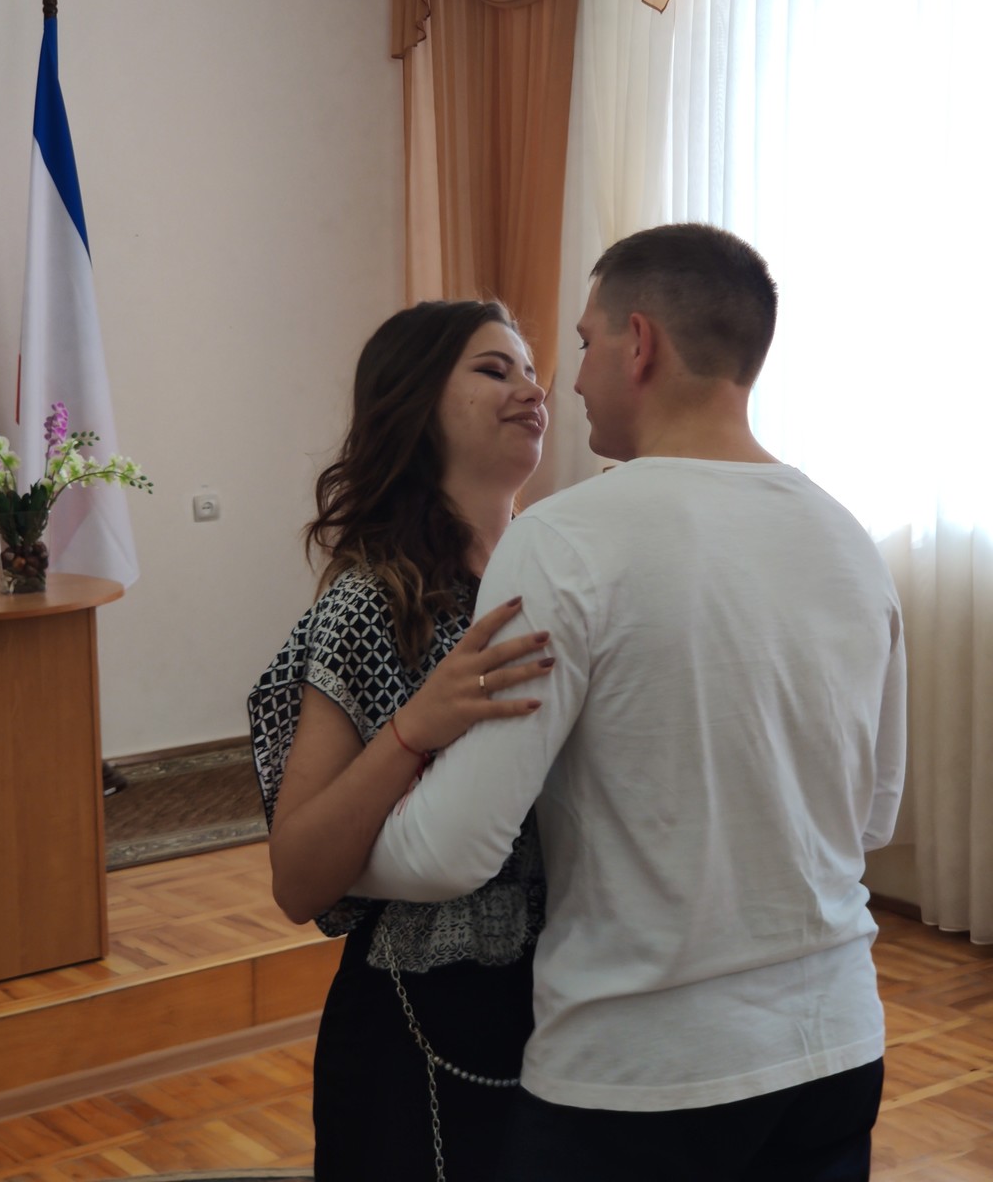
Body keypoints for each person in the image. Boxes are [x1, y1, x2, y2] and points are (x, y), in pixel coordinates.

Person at [353, 223, 907, 1182]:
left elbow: (451, 851)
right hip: (837, 1044)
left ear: (638, 343)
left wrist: (326, 855)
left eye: (582, 343)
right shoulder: (850, 540)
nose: (567, 382)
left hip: (642, 1072)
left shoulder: (566, 539)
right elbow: (873, 818)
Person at [247, 298, 553, 1182]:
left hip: (566, 1010)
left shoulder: (557, 584)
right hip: (420, 1035)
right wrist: (418, 726)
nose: (531, 390)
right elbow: (299, 878)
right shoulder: (371, 603)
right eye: (494, 369)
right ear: (417, 405)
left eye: (532, 371)